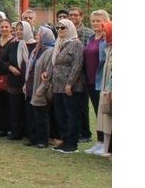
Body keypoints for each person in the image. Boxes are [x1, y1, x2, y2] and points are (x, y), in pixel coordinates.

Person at [48, 19, 86, 154]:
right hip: (57, 85)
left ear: (69, 28)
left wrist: (70, 83)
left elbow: (77, 66)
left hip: (71, 86)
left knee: (72, 115)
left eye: (63, 28)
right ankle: (64, 140)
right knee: (61, 114)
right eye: (57, 28)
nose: (59, 30)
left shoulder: (76, 44)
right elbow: (55, 64)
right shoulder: (59, 43)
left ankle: (72, 143)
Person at [83, 12, 112, 154]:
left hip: (101, 80)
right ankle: (99, 142)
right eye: (93, 20)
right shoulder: (90, 38)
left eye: (98, 21)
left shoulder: (107, 39)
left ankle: (105, 143)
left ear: (106, 22)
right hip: (89, 80)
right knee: (96, 112)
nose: (95, 23)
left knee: (103, 113)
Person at [24, 25, 57, 148]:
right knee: (31, 114)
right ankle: (33, 138)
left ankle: (42, 140)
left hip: (40, 87)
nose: (37, 36)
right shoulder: (36, 49)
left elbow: (48, 72)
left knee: (41, 115)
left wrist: (42, 88)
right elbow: (29, 68)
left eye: (39, 34)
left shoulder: (49, 51)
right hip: (30, 85)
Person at [0, 19, 19, 137]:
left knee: (9, 104)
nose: (4, 29)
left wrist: (7, 66)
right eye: (2, 27)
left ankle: (9, 128)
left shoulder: (15, 42)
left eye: (6, 27)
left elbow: (12, 59)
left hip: (9, 76)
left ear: (11, 28)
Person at [92, 22, 112, 157]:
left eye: (105, 31)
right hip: (106, 89)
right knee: (107, 120)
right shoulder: (109, 48)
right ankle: (107, 149)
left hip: (111, 90)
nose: (103, 34)